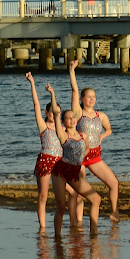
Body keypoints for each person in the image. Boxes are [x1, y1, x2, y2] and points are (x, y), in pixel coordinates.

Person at [69, 60, 120, 222]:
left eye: (94, 97)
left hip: (94, 155)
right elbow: (74, 90)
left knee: (114, 183)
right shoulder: (78, 113)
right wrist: (72, 70)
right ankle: (78, 221)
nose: (91, 99)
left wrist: (101, 137)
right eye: (88, 97)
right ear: (82, 99)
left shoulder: (101, 116)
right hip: (79, 157)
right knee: (79, 191)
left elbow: (109, 129)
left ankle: (114, 213)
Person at [51, 101, 102, 236]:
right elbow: (56, 115)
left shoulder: (83, 135)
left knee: (96, 199)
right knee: (61, 207)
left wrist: (79, 158)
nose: (72, 120)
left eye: (73, 117)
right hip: (60, 171)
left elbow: (87, 149)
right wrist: (52, 94)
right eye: (68, 118)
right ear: (63, 122)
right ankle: (57, 238)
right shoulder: (63, 134)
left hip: (74, 171)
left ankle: (93, 233)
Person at [26, 72, 63, 231]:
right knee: (43, 196)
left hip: (61, 163)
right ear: (47, 113)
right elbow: (36, 105)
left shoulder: (63, 128)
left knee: (73, 191)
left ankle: (75, 221)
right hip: (46, 161)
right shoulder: (44, 126)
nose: (55, 114)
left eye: (58, 112)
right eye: (53, 112)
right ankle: (42, 227)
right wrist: (32, 83)